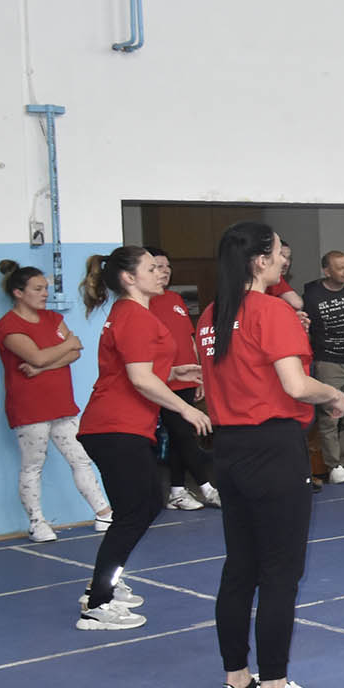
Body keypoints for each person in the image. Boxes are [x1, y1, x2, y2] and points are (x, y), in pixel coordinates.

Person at [197, 221, 344, 688]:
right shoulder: (270, 311)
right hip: (272, 450)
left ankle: (236, 684)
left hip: (229, 451)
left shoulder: (211, 315)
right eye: (281, 252)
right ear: (260, 260)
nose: (286, 259)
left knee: (240, 568)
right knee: (280, 573)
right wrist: (333, 394)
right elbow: (295, 385)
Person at [75, 248, 212, 631]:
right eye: (151, 268)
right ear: (129, 278)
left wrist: (175, 372)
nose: (160, 273)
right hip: (115, 427)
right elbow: (139, 379)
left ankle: (104, 584)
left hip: (121, 426)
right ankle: (97, 605)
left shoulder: (133, 313)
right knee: (136, 511)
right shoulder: (133, 316)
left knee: (144, 505)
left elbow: (135, 371)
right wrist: (185, 409)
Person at [0, 261, 110, 542]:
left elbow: (75, 352)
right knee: (33, 465)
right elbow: (38, 355)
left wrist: (43, 367)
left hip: (62, 404)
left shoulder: (52, 318)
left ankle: (104, 513)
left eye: (45, 288)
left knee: (81, 458)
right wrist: (63, 347)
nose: (45, 294)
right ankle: (37, 522)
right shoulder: (8, 326)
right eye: (38, 289)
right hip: (30, 407)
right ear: (18, 293)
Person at [144, 248, 222, 511]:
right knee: (183, 434)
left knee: (181, 436)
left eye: (167, 266)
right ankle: (207, 487)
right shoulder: (143, 303)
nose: (164, 271)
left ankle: (176, 490)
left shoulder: (175, 298)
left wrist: (200, 375)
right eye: (157, 266)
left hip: (187, 377)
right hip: (164, 381)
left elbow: (190, 339)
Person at [303, 249, 344, 484]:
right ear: (326, 271)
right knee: (330, 417)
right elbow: (307, 329)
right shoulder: (312, 296)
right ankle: (334, 466)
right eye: (340, 268)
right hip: (329, 363)